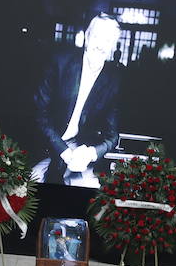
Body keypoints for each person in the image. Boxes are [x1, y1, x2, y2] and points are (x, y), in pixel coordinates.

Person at [31, 12, 123, 188]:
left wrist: (91, 153)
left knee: (89, 198)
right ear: (87, 38)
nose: (101, 45)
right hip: (45, 146)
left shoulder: (114, 79)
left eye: (108, 40)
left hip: (80, 151)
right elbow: (39, 115)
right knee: (25, 194)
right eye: (97, 37)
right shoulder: (60, 62)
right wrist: (63, 151)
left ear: (113, 45)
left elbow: (112, 136)